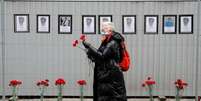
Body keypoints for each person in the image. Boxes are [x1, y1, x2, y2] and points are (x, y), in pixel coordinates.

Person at [82, 22, 127, 101]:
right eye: (102, 27)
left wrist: (89, 46)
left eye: (104, 27)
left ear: (110, 30)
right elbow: (100, 56)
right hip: (106, 74)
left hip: (110, 75)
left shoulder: (113, 42)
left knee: (113, 97)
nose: (102, 29)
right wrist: (91, 54)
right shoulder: (106, 41)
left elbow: (102, 55)